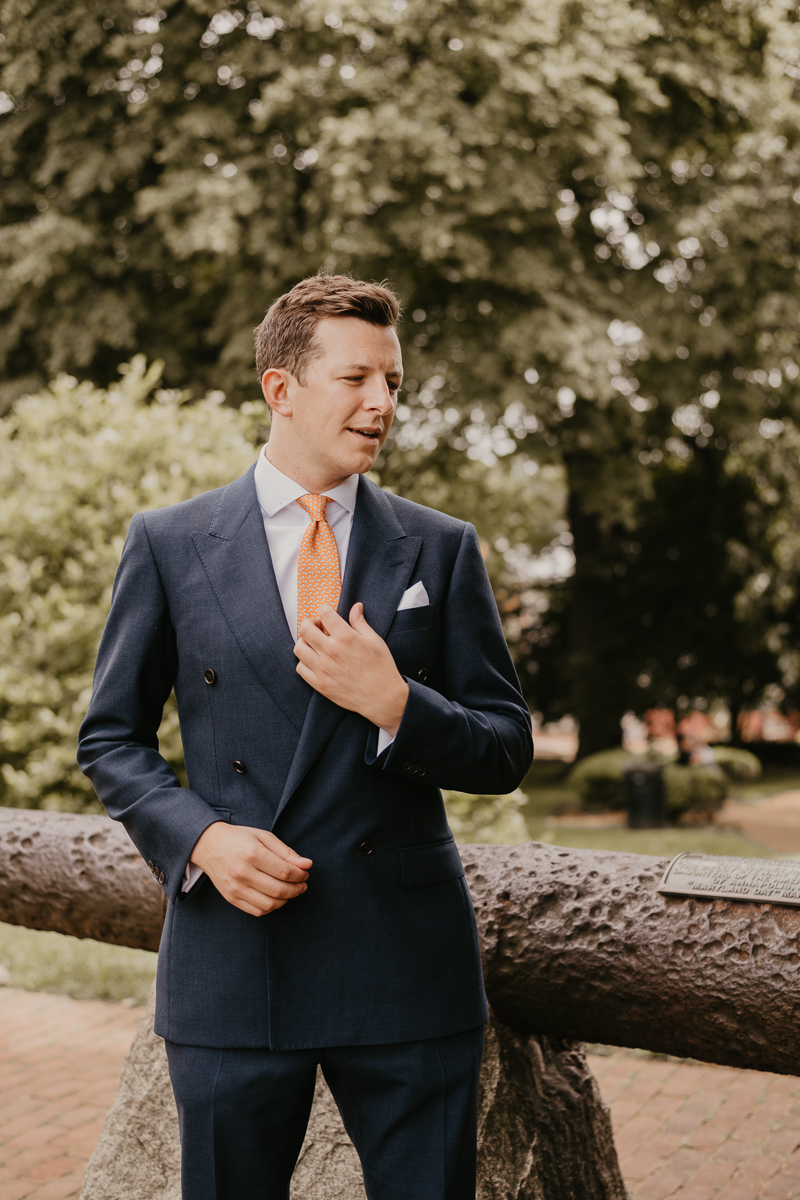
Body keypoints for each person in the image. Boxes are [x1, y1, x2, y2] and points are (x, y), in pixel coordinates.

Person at [78, 274, 533, 1200]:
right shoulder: (169, 542)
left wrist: (397, 702)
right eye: (356, 379)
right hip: (235, 957)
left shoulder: (440, 547)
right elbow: (111, 739)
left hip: (405, 966)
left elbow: (505, 746)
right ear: (280, 389)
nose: (381, 404)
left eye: (394, 384)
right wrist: (200, 837)